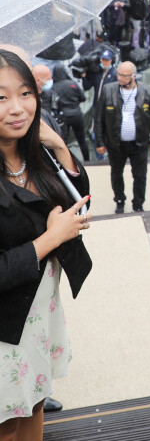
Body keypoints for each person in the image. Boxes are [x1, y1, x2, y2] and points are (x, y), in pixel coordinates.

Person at [0, 49, 92, 440]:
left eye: (26, 94)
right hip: (4, 323)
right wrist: (49, 239)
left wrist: (58, 147)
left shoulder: (33, 153)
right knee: (5, 416)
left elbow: (78, 204)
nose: (18, 108)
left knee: (35, 399)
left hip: (37, 311)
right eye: (1, 97)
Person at [94, 61, 150, 214]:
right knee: (116, 173)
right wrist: (99, 141)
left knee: (140, 176)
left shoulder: (147, 91)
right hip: (115, 143)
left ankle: (138, 203)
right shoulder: (108, 90)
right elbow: (99, 118)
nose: (120, 78)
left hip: (139, 143)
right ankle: (119, 200)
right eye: (118, 74)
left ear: (134, 76)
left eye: (124, 75)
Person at [51, 64, 90, 162]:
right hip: (77, 114)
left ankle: (68, 162)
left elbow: (54, 103)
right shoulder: (72, 84)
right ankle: (87, 160)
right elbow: (83, 98)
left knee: (63, 142)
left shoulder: (54, 87)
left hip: (64, 117)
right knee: (82, 139)